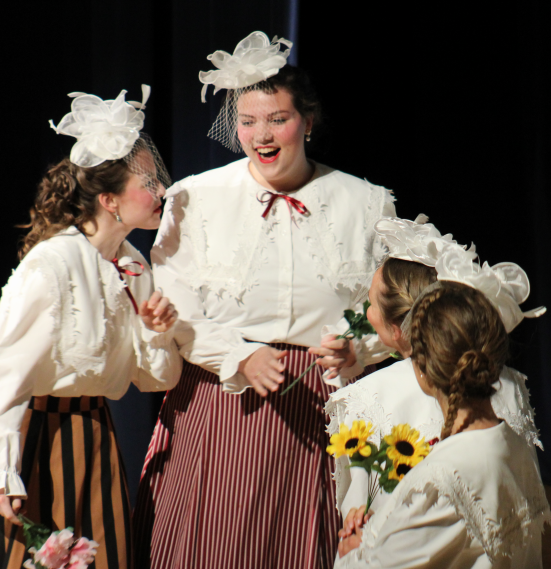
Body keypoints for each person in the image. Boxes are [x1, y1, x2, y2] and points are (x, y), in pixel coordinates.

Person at [134, 32, 395, 569]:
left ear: (308, 121)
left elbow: (387, 305)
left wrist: (358, 353)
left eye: (277, 118)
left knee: (307, 541)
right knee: (220, 540)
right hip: (224, 390)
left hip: (322, 397)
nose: (261, 134)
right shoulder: (195, 197)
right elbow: (174, 301)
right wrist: (238, 356)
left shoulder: (366, 201)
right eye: (248, 121)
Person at [0, 88, 182, 569]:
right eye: (148, 180)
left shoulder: (132, 264)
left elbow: (156, 379)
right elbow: (1, 380)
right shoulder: (54, 265)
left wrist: (155, 329)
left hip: (94, 437)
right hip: (39, 440)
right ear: (109, 199)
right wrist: (0, 472)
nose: (162, 190)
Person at [326, 215, 545, 518]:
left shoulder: (365, 395)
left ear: (398, 328)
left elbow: (358, 507)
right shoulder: (504, 381)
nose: (368, 314)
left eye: (372, 305)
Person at [335, 280, 551, 568]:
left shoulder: (441, 480)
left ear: (423, 369)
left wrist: (352, 552)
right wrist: (382, 531)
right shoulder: (514, 444)